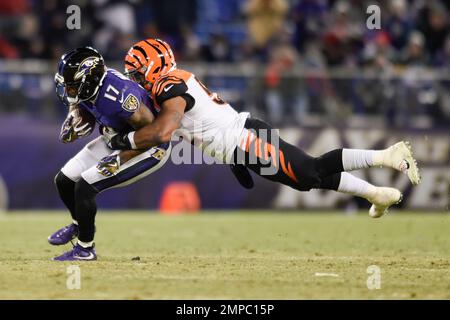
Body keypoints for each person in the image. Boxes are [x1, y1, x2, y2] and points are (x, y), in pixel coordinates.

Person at [106, 38, 420, 218]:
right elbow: (201, 125)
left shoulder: (168, 86)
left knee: (309, 171)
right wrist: (233, 160)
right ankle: (375, 193)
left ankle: (386, 156)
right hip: (239, 142)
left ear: (153, 66)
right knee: (304, 180)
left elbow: (163, 132)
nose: (136, 80)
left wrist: (123, 138)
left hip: (245, 139)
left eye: (136, 73)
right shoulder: (172, 82)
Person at [49, 47, 171, 261]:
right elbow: (78, 101)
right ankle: (79, 225)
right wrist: (76, 117)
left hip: (147, 147)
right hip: (116, 137)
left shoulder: (119, 96)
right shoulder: (89, 86)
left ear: (89, 81)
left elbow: (152, 134)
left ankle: (85, 249)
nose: (68, 91)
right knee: (64, 180)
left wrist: (120, 158)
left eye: (72, 86)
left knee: (85, 185)